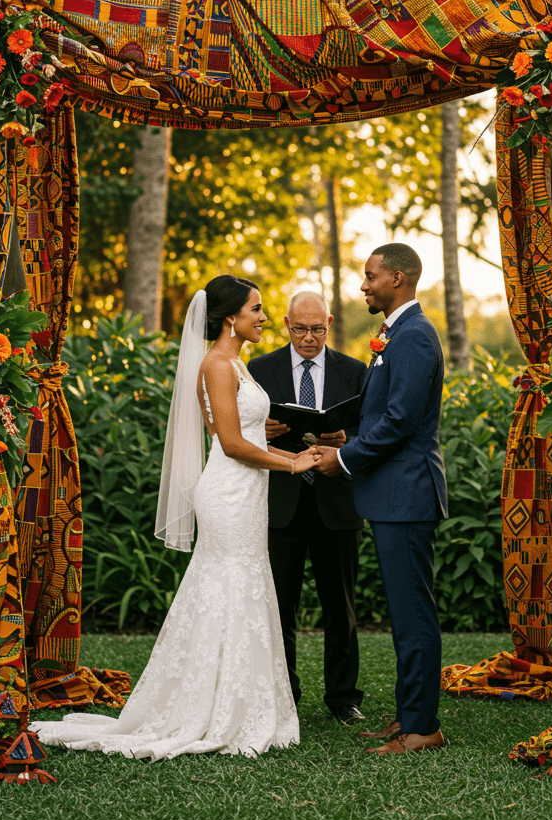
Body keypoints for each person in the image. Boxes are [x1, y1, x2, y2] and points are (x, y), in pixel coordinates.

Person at [32, 275, 319, 761]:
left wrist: (288, 448)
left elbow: (236, 432)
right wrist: (293, 462)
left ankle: (243, 703)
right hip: (228, 493)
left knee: (244, 584)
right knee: (228, 584)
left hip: (247, 491)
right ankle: (210, 712)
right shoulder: (216, 364)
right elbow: (229, 445)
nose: (264, 317)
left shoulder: (237, 364)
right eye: (256, 309)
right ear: (231, 317)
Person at [314, 244, 449, 756]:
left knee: (413, 615)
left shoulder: (413, 336)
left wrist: (344, 462)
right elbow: (385, 416)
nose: (364, 284)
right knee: (404, 611)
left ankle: (422, 729)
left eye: (370, 276)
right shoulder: (398, 333)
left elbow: (400, 422)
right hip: (394, 494)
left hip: (407, 495)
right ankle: (409, 718)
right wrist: (345, 440)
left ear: (397, 278)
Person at [249, 292, 367, 722]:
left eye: (317, 329)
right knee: (279, 606)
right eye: (300, 329)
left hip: (337, 500)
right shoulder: (260, 368)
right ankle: (285, 696)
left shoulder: (354, 371)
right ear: (285, 324)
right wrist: (260, 427)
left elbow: (368, 428)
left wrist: (346, 442)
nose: (308, 338)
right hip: (282, 501)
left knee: (342, 606)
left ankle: (343, 699)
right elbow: (238, 427)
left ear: (330, 324)